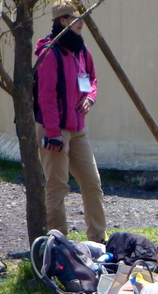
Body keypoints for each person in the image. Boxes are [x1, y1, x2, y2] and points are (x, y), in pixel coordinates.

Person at [35, 1, 107, 243]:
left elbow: (93, 79)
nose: (82, 23)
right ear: (63, 21)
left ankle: (97, 240)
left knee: (92, 183)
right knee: (57, 188)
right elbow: (47, 97)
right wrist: (54, 133)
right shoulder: (50, 52)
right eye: (77, 18)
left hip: (78, 130)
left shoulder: (82, 50)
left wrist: (90, 97)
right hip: (54, 130)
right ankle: (58, 243)